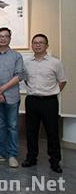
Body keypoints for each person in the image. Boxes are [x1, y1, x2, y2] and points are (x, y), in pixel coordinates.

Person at [22, 34, 67, 173]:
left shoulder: (55, 62)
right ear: (32, 45)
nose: (38, 45)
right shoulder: (27, 62)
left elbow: (62, 81)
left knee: (52, 132)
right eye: (35, 42)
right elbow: (25, 80)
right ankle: (31, 158)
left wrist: (51, 92)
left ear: (47, 46)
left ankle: (55, 161)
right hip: (32, 100)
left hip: (49, 101)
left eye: (41, 43)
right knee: (31, 131)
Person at [0, 27, 24, 168]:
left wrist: (1, 90)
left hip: (12, 97)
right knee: (0, 127)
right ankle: (1, 154)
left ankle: (12, 155)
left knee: (13, 127)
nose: (3, 38)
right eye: (0, 36)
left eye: (6, 36)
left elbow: (19, 76)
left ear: (10, 38)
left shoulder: (16, 56)